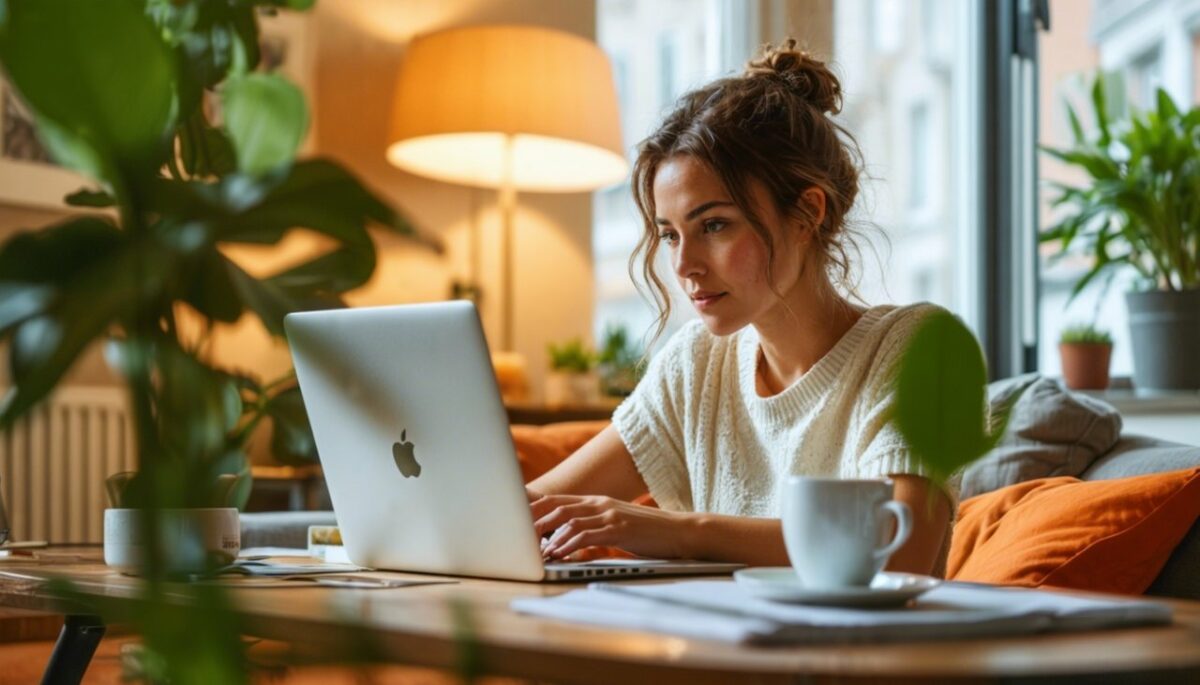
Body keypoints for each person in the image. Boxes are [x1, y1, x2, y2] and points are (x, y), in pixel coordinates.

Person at [527, 40, 957, 576]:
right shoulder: (696, 364)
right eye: (669, 234)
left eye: (713, 225)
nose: (684, 266)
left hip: (859, 658)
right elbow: (527, 513)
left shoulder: (919, 349)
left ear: (807, 213)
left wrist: (678, 532)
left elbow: (898, 551)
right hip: (713, 653)